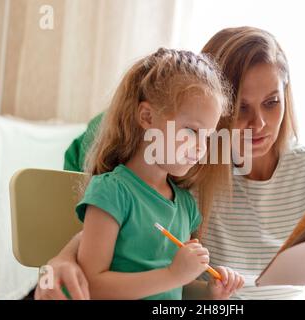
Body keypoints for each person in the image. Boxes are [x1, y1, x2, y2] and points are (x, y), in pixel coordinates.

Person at [36, 27, 305, 300]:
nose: (259, 124)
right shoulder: (188, 170)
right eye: (242, 108)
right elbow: (127, 214)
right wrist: (62, 259)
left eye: (272, 103)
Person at [67, 48, 244, 300]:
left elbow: (174, 289)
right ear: (147, 116)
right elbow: (91, 286)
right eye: (192, 131)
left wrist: (211, 292)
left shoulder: (185, 206)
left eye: (207, 137)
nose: (201, 148)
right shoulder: (112, 192)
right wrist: (173, 274)